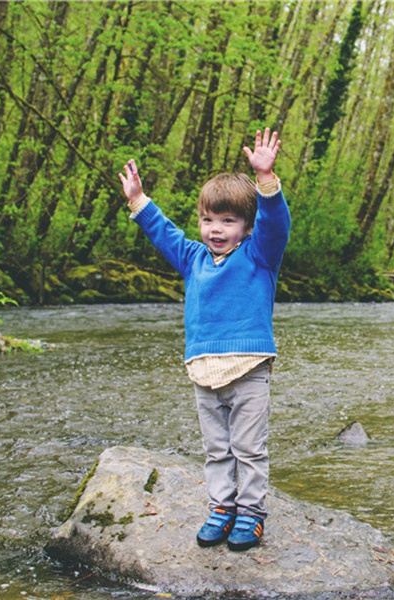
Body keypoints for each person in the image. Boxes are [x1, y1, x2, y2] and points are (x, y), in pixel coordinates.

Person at [118, 128, 290, 551]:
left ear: (247, 227)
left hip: (248, 370)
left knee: (248, 449)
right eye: (208, 220)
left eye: (228, 221)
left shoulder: (259, 256)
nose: (216, 229)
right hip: (203, 371)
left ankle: (250, 514)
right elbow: (164, 234)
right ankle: (221, 507)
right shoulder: (194, 258)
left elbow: (276, 224)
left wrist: (266, 180)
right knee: (217, 450)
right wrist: (138, 200)